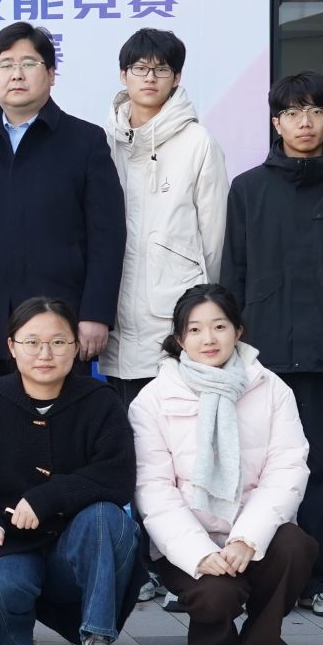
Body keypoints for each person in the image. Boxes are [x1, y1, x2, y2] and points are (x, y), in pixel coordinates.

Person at [221, 70, 323, 619]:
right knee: (258, 470)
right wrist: (233, 352)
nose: (304, 122)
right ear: (276, 121)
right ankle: (259, 575)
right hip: (261, 360)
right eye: (292, 112)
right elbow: (233, 276)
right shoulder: (247, 190)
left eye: (314, 111)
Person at [0, 298, 141, 645]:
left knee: (109, 518)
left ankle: (98, 636)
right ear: (11, 346)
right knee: (1, 584)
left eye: (58, 342)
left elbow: (117, 476)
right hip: (9, 543)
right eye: (32, 342)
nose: (45, 354)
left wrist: (48, 498)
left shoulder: (100, 402)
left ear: (76, 346)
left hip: (78, 546)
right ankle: (12, 635)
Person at [129, 285, 314, 645]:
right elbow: (153, 489)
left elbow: (287, 469)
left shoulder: (271, 389)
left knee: (295, 546)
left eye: (219, 326)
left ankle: (263, 637)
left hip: (253, 532)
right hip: (189, 535)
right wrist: (199, 553)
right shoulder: (153, 398)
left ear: (238, 331)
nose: (208, 339)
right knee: (215, 596)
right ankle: (213, 631)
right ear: (179, 339)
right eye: (195, 330)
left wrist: (247, 539)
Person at [0, 23, 125, 389]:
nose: (16, 74)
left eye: (28, 63)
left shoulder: (85, 141)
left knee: (61, 421)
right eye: (5, 64)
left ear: (51, 74)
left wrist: (95, 313)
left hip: (59, 329)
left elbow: (107, 236)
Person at [100, 29, 227, 397]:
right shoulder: (103, 142)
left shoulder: (198, 142)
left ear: (177, 77)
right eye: (140, 68)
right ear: (123, 75)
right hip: (113, 321)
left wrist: (203, 309)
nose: (150, 78)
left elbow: (215, 238)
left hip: (174, 315)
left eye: (161, 69)